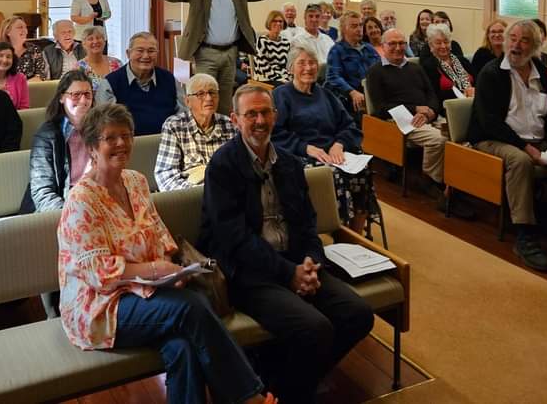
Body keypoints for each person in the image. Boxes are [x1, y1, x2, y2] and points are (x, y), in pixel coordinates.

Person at [57, 104, 275, 404]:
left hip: (147, 291)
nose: (121, 144)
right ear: (93, 147)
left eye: (127, 135)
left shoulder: (135, 181)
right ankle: (248, 396)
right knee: (190, 307)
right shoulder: (82, 199)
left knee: (182, 347)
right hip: (99, 305)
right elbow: (96, 273)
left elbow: (158, 234)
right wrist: (154, 272)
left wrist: (173, 270)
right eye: (110, 138)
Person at [199, 85, 374, 404]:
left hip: (295, 263)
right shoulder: (223, 167)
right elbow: (234, 238)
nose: (260, 121)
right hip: (249, 274)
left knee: (358, 313)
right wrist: (287, 273)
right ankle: (284, 392)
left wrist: (310, 263)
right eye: (251, 114)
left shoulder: (291, 164)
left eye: (265, 112)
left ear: (275, 116)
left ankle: (280, 385)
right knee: (315, 328)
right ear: (236, 120)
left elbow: (307, 223)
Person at [135, 0, 296, 115]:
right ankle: (203, 134)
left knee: (225, 101)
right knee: (205, 97)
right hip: (206, 54)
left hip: (230, 53)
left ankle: (223, 135)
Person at [466, 19, 547, 273]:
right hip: (494, 139)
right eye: (513, 39)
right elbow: (490, 122)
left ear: (535, 45)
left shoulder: (542, 74)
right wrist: (526, 148)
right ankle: (524, 235)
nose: (516, 45)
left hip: (535, 138)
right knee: (520, 161)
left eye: (524, 40)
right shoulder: (492, 73)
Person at [365, 29, 474, 219]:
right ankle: (432, 181)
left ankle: (453, 188)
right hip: (399, 120)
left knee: (462, 140)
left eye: (401, 43)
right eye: (393, 44)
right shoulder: (376, 72)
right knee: (438, 141)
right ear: (383, 47)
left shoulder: (415, 68)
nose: (398, 48)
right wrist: (415, 109)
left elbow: (432, 94)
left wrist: (430, 111)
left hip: (427, 116)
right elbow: (380, 108)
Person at [273, 42, 370, 232]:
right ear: (291, 68)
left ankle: (355, 235)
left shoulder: (326, 95)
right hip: (299, 155)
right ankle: (337, 232)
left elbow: (349, 125)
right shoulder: (280, 95)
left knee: (363, 171)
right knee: (332, 175)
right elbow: (274, 134)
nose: (308, 68)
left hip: (333, 154)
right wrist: (305, 148)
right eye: (302, 63)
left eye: (312, 63)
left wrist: (339, 144)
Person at [23, 70, 95, 213]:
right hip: (62, 205)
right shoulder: (46, 135)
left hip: (93, 199)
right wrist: (70, 214)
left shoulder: (100, 130)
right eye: (76, 95)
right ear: (62, 98)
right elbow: (42, 192)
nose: (83, 100)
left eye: (87, 95)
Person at [154, 73, 236, 191]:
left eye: (212, 92)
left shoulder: (229, 124)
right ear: (187, 101)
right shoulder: (175, 126)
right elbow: (166, 176)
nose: (208, 98)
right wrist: (198, 193)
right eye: (200, 94)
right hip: (191, 197)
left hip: (227, 193)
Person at [105, 32, 186, 135]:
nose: (146, 56)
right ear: (128, 53)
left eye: (151, 51)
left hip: (167, 142)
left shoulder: (170, 80)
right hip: (128, 145)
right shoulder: (111, 83)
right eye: (140, 51)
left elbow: (183, 115)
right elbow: (108, 123)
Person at [324, 11, 379, 117]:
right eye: (354, 26)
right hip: (350, 96)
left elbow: (380, 70)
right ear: (344, 29)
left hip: (370, 93)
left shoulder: (369, 48)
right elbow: (333, 76)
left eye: (360, 25)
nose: (359, 29)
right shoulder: (337, 50)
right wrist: (352, 92)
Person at [419, 24, 475, 103]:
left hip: (473, 101)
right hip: (449, 107)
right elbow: (434, 95)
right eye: (438, 43)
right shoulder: (429, 66)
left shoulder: (463, 61)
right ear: (431, 45)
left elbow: (478, 82)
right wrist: (464, 92)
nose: (443, 46)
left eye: (446, 41)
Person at [77, 24, 120, 106]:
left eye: (98, 38)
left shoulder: (117, 63)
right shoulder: (79, 68)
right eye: (90, 39)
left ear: (104, 42)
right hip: (92, 113)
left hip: (117, 111)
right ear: (84, 44)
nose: (95, 41)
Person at [0, 14, 50, 80]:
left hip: (30, 88)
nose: (25, 30)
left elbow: (40, 75)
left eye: (25, 27)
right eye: (20, 27)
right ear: (8, 32)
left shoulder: (34, 49)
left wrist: (22, 86)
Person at [0, 40, 30, 110]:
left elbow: (24, 107)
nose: (4, 60)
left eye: (8, 57)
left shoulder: (20, 78)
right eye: (0, 56)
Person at [253, 10, 291, 84]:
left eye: (280, 21)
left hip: (282, 76)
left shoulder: (286, 42)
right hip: (264, 77)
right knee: (285, 88)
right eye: (274, 21)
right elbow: (263, 66)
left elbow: (286, 65)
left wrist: (290, 77)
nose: (278, 23)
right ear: (269, 23)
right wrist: (280, 79)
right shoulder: (262, 40)